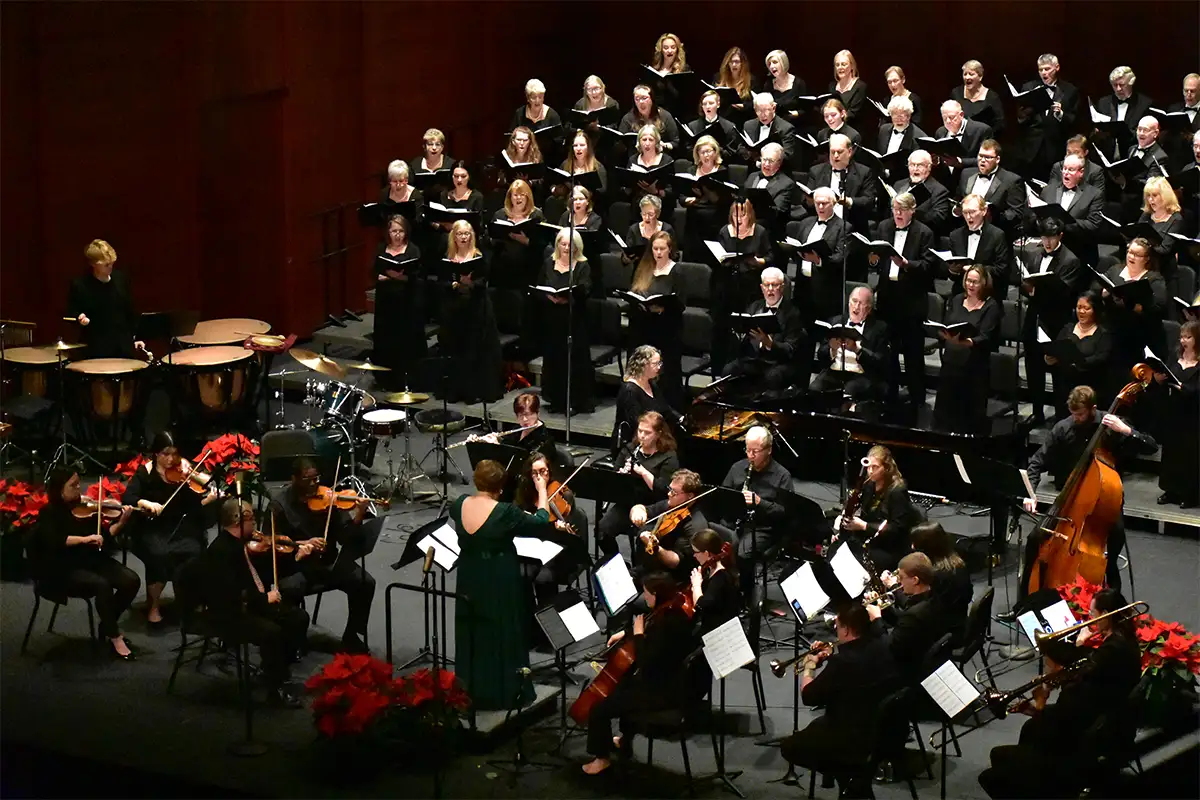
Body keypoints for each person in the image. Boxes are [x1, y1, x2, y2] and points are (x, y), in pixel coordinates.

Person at [979, 588, 1142, 800]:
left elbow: (1069, 711)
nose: (1090, 620)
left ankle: (1040, 785)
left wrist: (1039, 703)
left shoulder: (1108, 657)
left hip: (1079, 739)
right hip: (1092, 719)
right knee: (1031, 728)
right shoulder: (1124, 642)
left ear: (1105, 615)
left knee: (993, 768)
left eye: (1092, 615)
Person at [1015, 386, 1158, 600]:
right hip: (1070, 496)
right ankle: (1023, 600)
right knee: (1035, 538)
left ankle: (1111, 602)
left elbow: (1152, 446)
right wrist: (1030, 493)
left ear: (1093, 408)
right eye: (1073, 414)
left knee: (1114, 535)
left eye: (1080, 414)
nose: (1077, 418)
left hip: (1105, 499)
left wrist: (1126, 431)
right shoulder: (1063, 428)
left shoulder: (1111, 425)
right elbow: (1036, 462)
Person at [453, 459, 555, 711]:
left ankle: (470, 688)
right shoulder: (505, 513)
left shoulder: (458, 505)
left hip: (469, 575)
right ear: (500, 488)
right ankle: (503, 690)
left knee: (473, 629)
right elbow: (541, 520)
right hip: (498, 577)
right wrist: (542, 490)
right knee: (501, 628)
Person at [779, 603, 901, 797]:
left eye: (837, 626)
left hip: (852, 737)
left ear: (846, 629)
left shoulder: (843, 663)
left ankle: (849, 777)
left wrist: (810, 666)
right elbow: (857, 673)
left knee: (789, 747)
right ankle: (849, 778)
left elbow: (809, 696)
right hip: (885, 731)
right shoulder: (884, 644)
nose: (836, 631)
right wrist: (829, 660)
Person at [582, 572, 697, 776]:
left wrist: (637, 635)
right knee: (622, 686)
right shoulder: (672, 611)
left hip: (660, 692)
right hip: (672, 682)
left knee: (599, 706)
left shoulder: (666, 624)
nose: (644, 598)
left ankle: (601, 759)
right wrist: (628, 633)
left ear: (656, 594)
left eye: (646, 594)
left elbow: (646, 662)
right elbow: (650, 629)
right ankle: (625, 740)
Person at [199, 498, 310, 707]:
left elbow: (262, 574)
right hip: (228, 611)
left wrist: (295, 558)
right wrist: (263, 598)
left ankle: (276, 670)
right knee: (272, 631)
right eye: (252, 518)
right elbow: (226, 593)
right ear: (241, 519)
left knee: (297, 617)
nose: (257, 526)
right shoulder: (221, 551)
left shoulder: (242, 545)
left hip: (248, 604)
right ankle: (275, 689)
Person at [269, 458, 376, 653]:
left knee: (365, 582)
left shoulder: (329, 498)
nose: (313, 484)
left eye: (316, 478)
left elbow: (345, 538)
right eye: (307, 479)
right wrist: (301, 544)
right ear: (294, 479)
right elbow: (271, 541)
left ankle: (352, 636)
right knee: (290, 589)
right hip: (295, 566)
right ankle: (292, 641)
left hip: (328, 562)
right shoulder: (280, 505)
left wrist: (358, 516)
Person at [33, 469, 140, 660]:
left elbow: (103, 538)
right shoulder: (48, 513)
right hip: (63, 567)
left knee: (131, 580)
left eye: (78, 483)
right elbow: (56, 541)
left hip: (92, 560)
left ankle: (107, 624)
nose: (78, 489)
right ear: (59, 490)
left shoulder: (86, 507)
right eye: (72, 485)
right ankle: (115, 636)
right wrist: (84, 539)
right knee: (102, 585)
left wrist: (122, 522)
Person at [123, 430, 220, 625]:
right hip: (151, 528)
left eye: (174, 453)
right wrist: (145, 503)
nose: (171, 459)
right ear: (156, 454)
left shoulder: (183, 471)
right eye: (165, 454)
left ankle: (189, 599)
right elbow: (129, 498)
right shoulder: (146, 472)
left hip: (180, 525)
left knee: (194, 550)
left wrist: (208, 499)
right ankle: (154, 606)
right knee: (159, 554)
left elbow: (191, 505)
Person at [870, 191, 935, 407]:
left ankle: (917, 398)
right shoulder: (884, 227)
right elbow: (876, 262)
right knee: (888, 350)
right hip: (887, 299)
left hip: (911, 301)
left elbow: (928, 266)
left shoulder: (924, 233)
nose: (897, 214)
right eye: (894, 210)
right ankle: (891, 393)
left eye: (902, 210)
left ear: (912, 210)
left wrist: (907, 264)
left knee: (912, 353)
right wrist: (873, 260)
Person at [1021, 217, 1087, 423]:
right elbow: (1026, 285)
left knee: (1058, 371)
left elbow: (1064, 294)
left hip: (1056, 321)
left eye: (1051, 237)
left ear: (1060, 236)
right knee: (1033, 369)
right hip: (1034, 318)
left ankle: (1061, 416)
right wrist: (1027, 287)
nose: (1047, 242)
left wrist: (1036, 290)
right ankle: (1037, 412)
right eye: (1044, 237)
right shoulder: (1033, 254)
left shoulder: (1071, 260)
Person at [717, 426, 794, 596]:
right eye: (747, 450)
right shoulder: (738, 468)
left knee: (743, 554)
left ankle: (746, 594)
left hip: (764, 527)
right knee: (712, 541)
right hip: (735, 521)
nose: (750, 455)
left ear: (768, 450)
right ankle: (723, 590)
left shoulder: (782, 476)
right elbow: (723, 494)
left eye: (755, 451)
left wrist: (760, 502)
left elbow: (785, 512)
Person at [598, 411, 681, 559]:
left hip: (652, 507)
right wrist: (622, 475)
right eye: (640, 431)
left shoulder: (668, 456)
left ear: (658, 434)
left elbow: (664, 490)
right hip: (628, 502)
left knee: (642, 541)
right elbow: (614, 476)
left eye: (647, 433)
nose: (642, 436)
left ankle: (638, 573)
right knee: (602, 531)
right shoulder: (630, 449)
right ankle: (615, 562)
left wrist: (643, 472)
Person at [439, 219, 503, 404]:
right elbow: (441, 281)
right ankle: (457, 390)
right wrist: (453, 283)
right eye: (460, 234)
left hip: (477, 309)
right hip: (456, 309)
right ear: (454, 237)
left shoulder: (479, 256)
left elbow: (484, 282)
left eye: (467, 234)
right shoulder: (448, 256)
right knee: (456, 349)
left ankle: (474, 391)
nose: (464, 237)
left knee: (475, 350)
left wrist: (470, 283)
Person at [934, 265, 1002, 434]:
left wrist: (967, 342)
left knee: (969, 419)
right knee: (944, 416)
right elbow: (946, 325)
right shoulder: (956, 300)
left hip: (974, 369)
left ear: (984, 284)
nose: (970, 285)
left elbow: (987, 337)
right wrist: (945, 335)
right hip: (951, 364)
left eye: (975, 282)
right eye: (968, 281)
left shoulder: (991, 306)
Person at [721, 266, 807, 396]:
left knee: (773, 377)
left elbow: (791, 350)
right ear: (762, 288)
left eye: (775, 285)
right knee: (729, 370)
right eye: (767, 285)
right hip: (754, 359)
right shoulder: (754, 306)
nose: (770, 289)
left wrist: (770, 344)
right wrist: (739, 335)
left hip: (778, 363)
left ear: (782, 287)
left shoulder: (793, 313)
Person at [867, 552, 951, 683]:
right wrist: (883, 610)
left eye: (901, 577)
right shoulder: (933, 595)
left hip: (907, 670)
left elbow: (890, 648)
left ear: (915, 580)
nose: (899, 582)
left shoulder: (915, 614)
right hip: (921, 651)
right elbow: (904, 621)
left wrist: (876, 620)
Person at [836, 445, 923, 572]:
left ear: (886, 468)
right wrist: (845, 515)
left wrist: (864, 526)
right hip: (872, 538)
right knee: (841, 547)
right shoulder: (869, 484)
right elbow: (863, 511)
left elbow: (897, 529)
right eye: (869, 467)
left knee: (855, 560)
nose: (870, 471)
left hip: (889, 546)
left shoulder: (897, 492)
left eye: (875, 467)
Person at [538, 228, 594, 413]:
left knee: (572, 360)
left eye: (570, 245)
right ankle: (555, 400)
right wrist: (548, 297)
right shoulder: (549, 263)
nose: (566, 248)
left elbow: (585, 290)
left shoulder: (582, 266)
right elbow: (540, 285)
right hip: (552, 318)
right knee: (554, 358)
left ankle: (574, 401)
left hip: (573, 319)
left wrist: (568, 299)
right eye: (563, 244)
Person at [1097, 237, 1167, 383]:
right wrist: (1103, 294)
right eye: (1130, 252)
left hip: (1139, 336)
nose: (1131, 257)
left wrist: (1138, 308)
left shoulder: (1154, 279)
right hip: (1113, 331)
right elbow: (1095, 290)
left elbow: (1159, 306)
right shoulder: (1115, 271)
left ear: (1147, 258)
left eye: (1137, 254)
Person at [627, 231, 684, 408]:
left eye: (662, 249)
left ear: (670, 249)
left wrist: (661, 308)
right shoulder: (643, 269)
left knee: (665, 375)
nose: (658, 252)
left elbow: (681, 304)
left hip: (666, 330)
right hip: (644, 326)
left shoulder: (677, 270)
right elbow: (634, 293)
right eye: (655, 248)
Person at [810, 286, 891, 405]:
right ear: (848, 302)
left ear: (869, 308)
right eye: (854, 301)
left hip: (861, 375)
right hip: (834, 371)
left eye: (861, 303)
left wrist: (857, 350)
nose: (856, 307)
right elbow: (821, 356)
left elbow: (881, 362)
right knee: (814, 389)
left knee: (847, 393)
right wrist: (832, 349)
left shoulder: (879, 328)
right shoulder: (835, 321)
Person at [67, 239, 145, 360]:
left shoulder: (121, 279)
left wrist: (137, 336)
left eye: (112, 263)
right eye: (106, 265)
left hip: (122, 346)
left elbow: (130, 310)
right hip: (96, 347)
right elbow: (72, 310)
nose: (110, 267)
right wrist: (80, 316)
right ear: (93, 264)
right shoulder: (81, 285)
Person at [371, 214, 424, 389]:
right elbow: (374, 272)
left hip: (406, 304)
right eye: (394, 231)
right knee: (385, 340)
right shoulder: (381, 249)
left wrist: (395, 277)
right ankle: (386, 379)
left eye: (401, 231)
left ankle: (407, 379)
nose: (397, 235)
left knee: (405, 341)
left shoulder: (413, 250)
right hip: (386, 304)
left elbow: (416, 276)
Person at [1151, 320, 1199, 508]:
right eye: (1181, 337)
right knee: (1171, 452)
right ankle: (1170, 490)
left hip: (1193, 415)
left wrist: (1183, 387)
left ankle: (1189, 494)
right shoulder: (1174, 356)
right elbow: (1166, 375)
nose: (1183, 341)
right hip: (1173, 412)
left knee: (1190, 454)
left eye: (1188, 337)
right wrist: (1158, 379)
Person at [628, 468, 707, 582]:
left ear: (690, 496)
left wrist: (656, 548)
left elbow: (675, 562)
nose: (669, 494)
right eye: (670, 489)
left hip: (670, 578)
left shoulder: (694, 526)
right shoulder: (672, 505)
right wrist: (637, 512)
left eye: (674, 492)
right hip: (649, 566)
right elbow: (643, 508)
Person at [1014, 54, 1080, 180]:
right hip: (1031, 149)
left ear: (1057, 68)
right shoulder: (1029, 87)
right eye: (1040, 69)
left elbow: (1074, 122)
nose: (1044, 73)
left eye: (1047, 69)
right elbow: (1020, 119)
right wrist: (1031, 108)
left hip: (1056, 148)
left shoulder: (1070, 90)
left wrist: (1060, 114)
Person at [793, 186, 849, 321]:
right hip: (803, 285)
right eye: (818, 203)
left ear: (834, 204)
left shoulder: (843, 227)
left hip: (825, 289)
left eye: (824, 203)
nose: (820, 206)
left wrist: (819, 260)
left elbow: (840, 257)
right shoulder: (805, 223)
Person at [909, 521, 972, 644]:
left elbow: (920, 611)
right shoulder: (956, 561)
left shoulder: (936, 575)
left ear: (926, 546)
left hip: (945, 633)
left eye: (915, 543)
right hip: (959, 621)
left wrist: (895, 587)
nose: (912, 547)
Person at [955, 139, 1025, 241]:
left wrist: (992, 216)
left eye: (988, 157)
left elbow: (1016, 213)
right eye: (980, 156)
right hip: (966, 233)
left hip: (995, 237)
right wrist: (956, 209)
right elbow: (958, 198)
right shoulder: (966, 174)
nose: (983, 160)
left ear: (997, 159)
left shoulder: (1012, 180)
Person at [947, 193, 1014, 296]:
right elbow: (952, 274)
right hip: (961, 293)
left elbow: (1002, 270)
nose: (968, 216)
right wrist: (953, 271)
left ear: (984, 211)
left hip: (988, 293)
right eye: (965, 212)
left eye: (973, 212)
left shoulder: (997, 235)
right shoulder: (955, 236)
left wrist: (974, 270)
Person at [611, 345, 677, 445]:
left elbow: (665, 408)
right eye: (655, 364)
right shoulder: (629, 391)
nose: (659, 367)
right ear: (643, 365)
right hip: (634, 442)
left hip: (652, 435)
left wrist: (681, 419)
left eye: (660, 363)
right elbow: (636, 425)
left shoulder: (651, 383)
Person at [716, 198, 771, 313]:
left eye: (743, 215)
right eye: (736, 216)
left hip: (753, 281)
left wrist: (758, 261)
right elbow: (720, 257)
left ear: (750, 215)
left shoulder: (760, 232)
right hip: (729, 282)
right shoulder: (725, 231)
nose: (739, 220)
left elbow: (770, 257)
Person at [490, 178, 545, 291]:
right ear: (510, 197)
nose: (518, 198)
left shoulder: (536, 216)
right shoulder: (500, 214)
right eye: (515, 195)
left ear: (528, 197)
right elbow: (489, 238)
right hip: (503, 267)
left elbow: (543, 244)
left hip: (528, 266)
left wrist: (526, 241)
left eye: (522, 195)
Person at [1092, 66, 1153, 160]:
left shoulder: (1145, 104)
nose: (1118, 89)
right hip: (1106, 156)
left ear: (1131, 83)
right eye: (1114, 85)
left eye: (1122, 84)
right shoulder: (1103, 102)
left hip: (1132, 156)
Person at [689, 528, 742, 635]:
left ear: (707, 553)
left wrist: (696, 585)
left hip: (719, 632)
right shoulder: (715, 567)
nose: (694, 555)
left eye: (695, 552)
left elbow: (700, 606)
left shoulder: (720, 578)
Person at [1138, 176, 1186, 279]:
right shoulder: (1146, 215)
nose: (1150, 200)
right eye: (1148, 196)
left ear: (1165, 196)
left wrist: (1144, 245)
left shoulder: (1176, 219)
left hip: (1163, 271)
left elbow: (1164, 249)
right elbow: (1136, 237)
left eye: (1154, 195)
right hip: (1143, 264)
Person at [893, 149, 951, 235]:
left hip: (920, 236)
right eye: (912, 165)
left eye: (920, 165)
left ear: (929, 167)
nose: (915, 169)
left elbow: (938, 218)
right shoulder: (898, 185)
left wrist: (909, 213)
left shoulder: (939, 191)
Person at [510, 78, 564, 165]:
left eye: (540, 97)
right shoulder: (520, 113)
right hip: (524, 160)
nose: (537, 100)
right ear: (528, 98)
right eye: (534, 97)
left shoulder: (553, 115)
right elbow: (512, 137)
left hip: (547, 160)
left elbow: (559, 142)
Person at [625, 124, 676, 212]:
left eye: (651, 140)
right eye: (644, 139)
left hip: (661, 206)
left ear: (656, 142)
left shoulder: (667, 161)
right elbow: (628, 186)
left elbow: (672, 191)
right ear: (639, 142)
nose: (647, 143)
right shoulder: (633, 160)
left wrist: (656, 191)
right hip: (638, 205)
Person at [618, 84, 681, 156]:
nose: (641, 102)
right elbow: (621, 147)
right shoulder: (627, 119)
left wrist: (665, 145)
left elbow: (675, 142)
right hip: (636, 159)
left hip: (660, 157)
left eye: (644, 98)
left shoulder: (665, 116)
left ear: (652, 99)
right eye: (637, 99)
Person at [934, 99, 994, 173]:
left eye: (951, 117)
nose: (948, 121)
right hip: (946, 178)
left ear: (961, 115)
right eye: (944, 118)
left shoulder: (982, 130)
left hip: (970, 176)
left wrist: (961, 161)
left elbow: (987, 159)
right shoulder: (940, 132)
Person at [739, 92, 797, 168]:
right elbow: (741, 148)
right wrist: (751, 157)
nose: (763, 115)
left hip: (777, 173)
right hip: (753, 171)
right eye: (759, 111)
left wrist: (765, 160)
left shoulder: (786, 128)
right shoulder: (748, 125)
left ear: (774, 108)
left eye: (766, 110)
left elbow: (787, 155)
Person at [951, 59, 1006, 138]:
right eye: (965, 74)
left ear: (980, 77)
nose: (967, 77)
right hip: (961, 139)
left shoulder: (992, 97)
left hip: (984, 140)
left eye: (971, 74)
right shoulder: (956, 93)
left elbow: (1000, 124)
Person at [875, 96, 925, 182]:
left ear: (909, 116)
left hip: (903, 181)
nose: (898, 120)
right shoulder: (883, 130)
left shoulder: (919, 137)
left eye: (902, 116)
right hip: (881, 179)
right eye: (895, 115)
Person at [556, 131, 609, 203]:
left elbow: (602, 190)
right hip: (568, 201)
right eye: (575, 145)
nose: (578, 148)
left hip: (589, 202)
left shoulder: (597, 166)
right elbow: (556, 182)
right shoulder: (566, 164)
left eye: (582, 145)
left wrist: (584, 192)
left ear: (588, 147)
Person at [622, 194, 676, 266]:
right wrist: (626, 258)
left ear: (658, 214)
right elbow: (625, 259)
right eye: (644, 214)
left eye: (650, 214)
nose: (647, 218)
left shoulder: (667, 229)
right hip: (640, 271)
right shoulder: (633, 229)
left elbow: (675, 256)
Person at [761, 49, 806, 121]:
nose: (772, 66)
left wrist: (793, 114)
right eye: (769, 64)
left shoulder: (798, 83)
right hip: (775, 123)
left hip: (795, 124)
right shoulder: (768, 84)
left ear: (784, 63)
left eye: (775, 62)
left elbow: (805, 110)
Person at [715, 46, 754, 123]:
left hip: (744, 120)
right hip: (723, 120)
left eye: (737, 62)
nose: (733, 64)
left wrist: (744, 106)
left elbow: (756, 103)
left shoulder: (752, 80)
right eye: (731, 62)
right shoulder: (718, 78)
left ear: (743, 63)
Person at [829, 49, 867, 125]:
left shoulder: (860, 86)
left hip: (852, 128)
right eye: (837, 65)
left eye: (843, 64)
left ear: (852, 66)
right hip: (833, 124)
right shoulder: (832, 86)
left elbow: (853, 113)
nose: (840, 67)